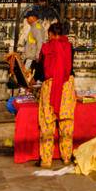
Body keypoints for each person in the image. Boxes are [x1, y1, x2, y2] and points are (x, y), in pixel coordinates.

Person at [36, 20, 75, 168]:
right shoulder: (70, 47)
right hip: (66, 86)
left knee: (47, 123)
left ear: (51, 34)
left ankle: (46, 159)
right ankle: (66, 157)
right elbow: (71, 68)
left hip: (50, 86)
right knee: (66, 122)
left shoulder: (46, 48)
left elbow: (40, 73)